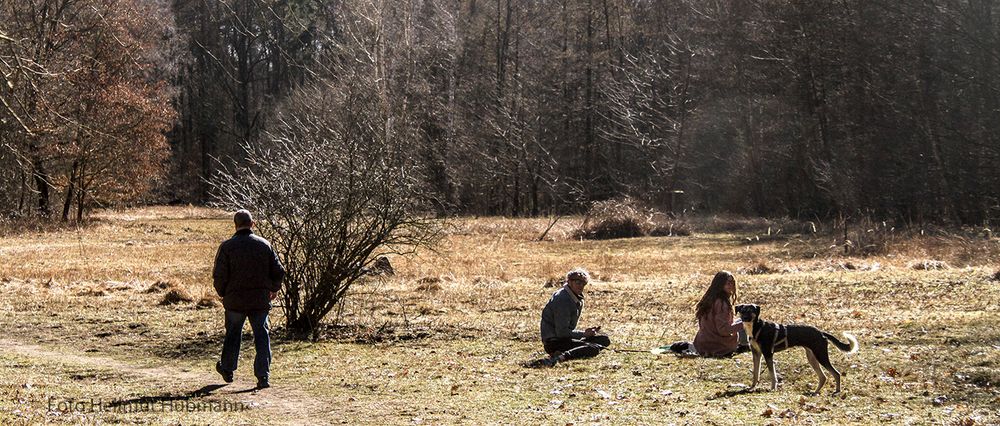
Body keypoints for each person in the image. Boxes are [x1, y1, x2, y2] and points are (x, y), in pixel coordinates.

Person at [213, 209, 285, 389]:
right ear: (252, 224)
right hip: (259, 299)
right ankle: (263, 376)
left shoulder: (227, 246)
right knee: (262, 335)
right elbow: (279, 271)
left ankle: (228, 369)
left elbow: (219, 276)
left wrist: (223, 293)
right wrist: (273, 289)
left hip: (235, 300)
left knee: (233, 334)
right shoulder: (264, 245)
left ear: (235, 225)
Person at [533, 268, 611, 367]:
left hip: (564, 339)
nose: (581, 285)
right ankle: (560, 357)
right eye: (578, 282)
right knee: (594, 348)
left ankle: (572, 351)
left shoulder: (573, 296)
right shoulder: (563, 300)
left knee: (604, 339)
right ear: (569, 281)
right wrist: (584, 334)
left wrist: (587, 334)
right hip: (554, 342)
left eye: (584, 283)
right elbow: (561, 333)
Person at [691, 270, 748, 357]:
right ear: (720, 284)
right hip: (719, 347)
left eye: (732, 282)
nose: (730, 285)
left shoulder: (709, 298)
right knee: (745, 321)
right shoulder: (722, 303)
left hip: (701, 345)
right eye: (727, 283)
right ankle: (744, 346)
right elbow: (723, 330)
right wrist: (745, 323)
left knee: (741, 320)